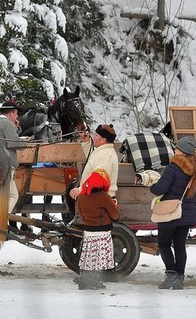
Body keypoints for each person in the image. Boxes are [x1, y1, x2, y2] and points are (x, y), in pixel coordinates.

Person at [150, 136, 196, 290]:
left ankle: (172, 276)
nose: (174, 150)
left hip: (170, 212)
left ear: (181, 151)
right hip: (187, 213)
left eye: (176, 148)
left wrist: (152, 185)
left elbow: (160, 189)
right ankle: (179, 278)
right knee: (180, 245)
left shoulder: (174, 167)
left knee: (164, 244)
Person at [69, 124, 120, 282]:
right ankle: (99, 274)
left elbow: (99, 176)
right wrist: (86, 143)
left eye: (96, 136)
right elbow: (93, 160)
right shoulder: (103, 151)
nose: (93, 137)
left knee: (95, 245)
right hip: (97, 201)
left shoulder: (104, 157)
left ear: (104, 139)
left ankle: (95, 275)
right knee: (98, 245)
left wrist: (81, 189)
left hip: (97, 203)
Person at [74, 169, 121, 290]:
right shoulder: (104, 197)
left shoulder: (82, 197)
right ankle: (94, 281)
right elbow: (115, 215)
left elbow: (80, 212)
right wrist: (115, 205)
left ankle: (85, 280)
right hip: (102, 231)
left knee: (89, 256)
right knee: (99, 257)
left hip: (88, 231)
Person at [0, 99, 27, 214]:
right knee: (13, 195)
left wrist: (17, 127)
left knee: (0, 197)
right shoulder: (7, 123)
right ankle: (1, 218)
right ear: (11, 113)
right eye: (16, 115)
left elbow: (10, 136)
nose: (16, 117)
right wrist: (26, 143)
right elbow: (14, 143)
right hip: (6, 165)